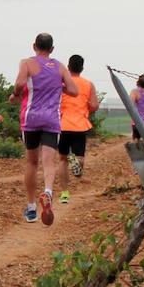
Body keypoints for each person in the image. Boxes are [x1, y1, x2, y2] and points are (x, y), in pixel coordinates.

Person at [9, 33, 76, 226]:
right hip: (51, 119)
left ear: (34, 46)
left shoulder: (27, 63)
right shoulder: (60, 66)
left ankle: (31, 208)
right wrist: (59, 86)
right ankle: (47, 191)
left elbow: (21, 83)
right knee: (49, 160)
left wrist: (15, 95)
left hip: (31, 118)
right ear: (52, 49)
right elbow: (74, 90)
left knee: (31, 162)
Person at [56, 54, 99, 203]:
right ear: (82, 68)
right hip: (80, 125)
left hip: (62, 124)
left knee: (62, 160)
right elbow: (94, 105)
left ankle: (64, 193)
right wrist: (85, 108)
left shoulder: (62, 84)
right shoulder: (88, 84)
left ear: (68, 67)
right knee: (80, 157)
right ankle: (76, 161)